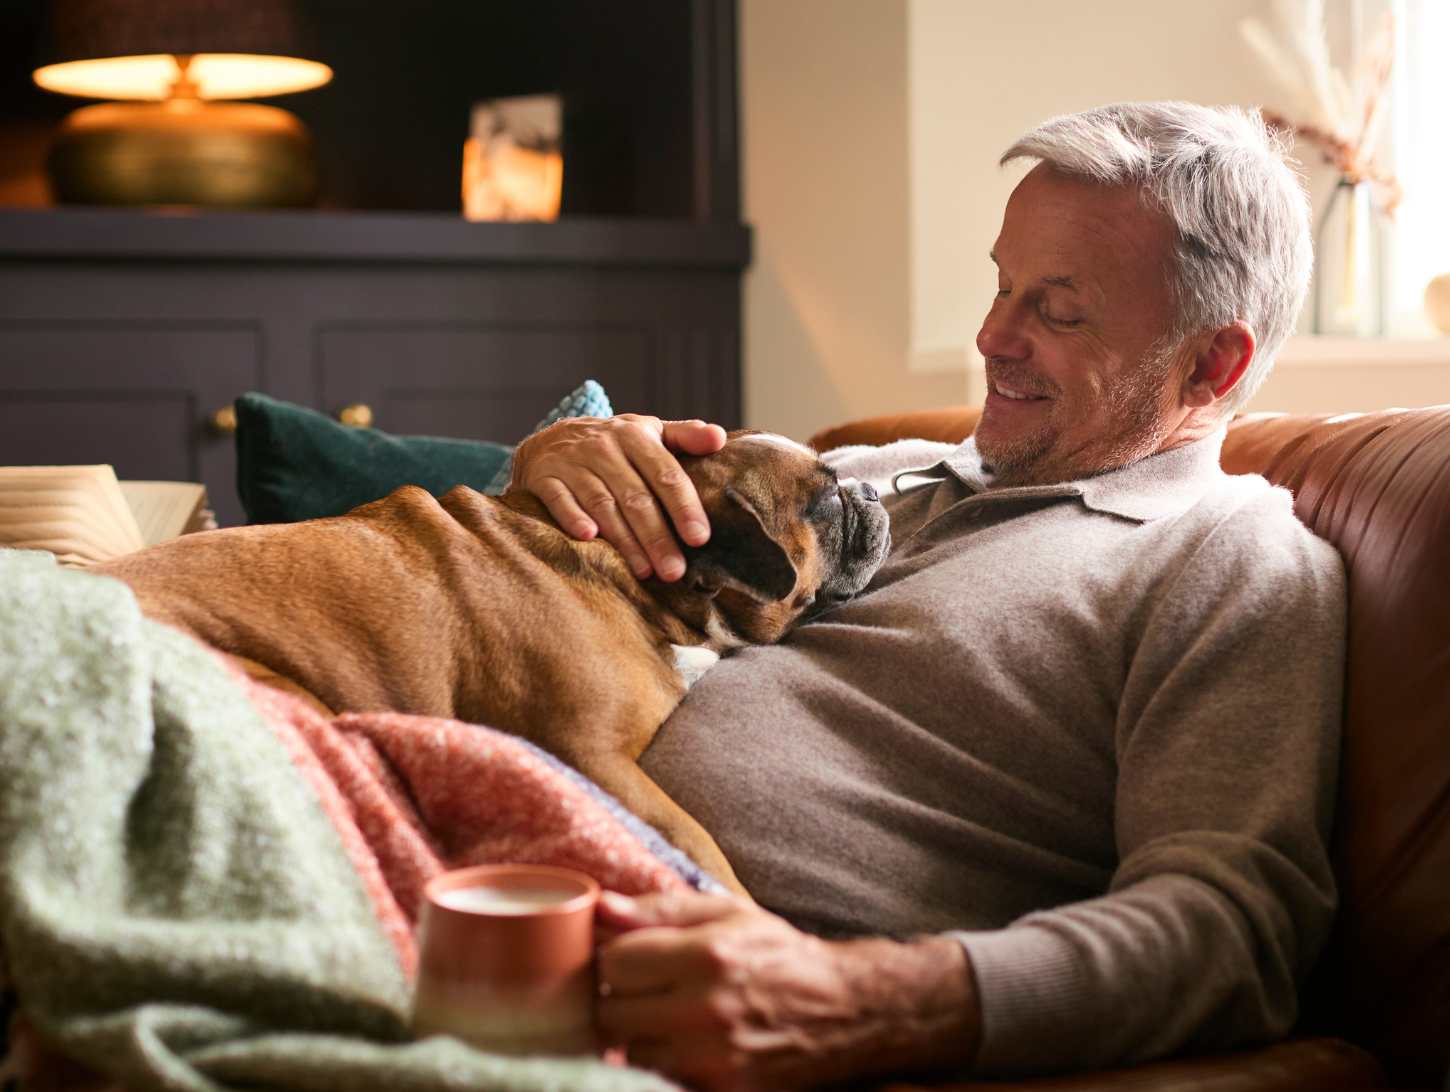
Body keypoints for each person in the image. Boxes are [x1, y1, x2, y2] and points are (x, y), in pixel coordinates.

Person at [510, 102, 1347, 1091]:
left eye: (1058, 310)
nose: (992, 335)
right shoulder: (876, 471)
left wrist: (865, 999)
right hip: (501, 832)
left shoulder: (1230, 559)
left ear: (1212, 362)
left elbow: (1230, 930)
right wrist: (555, 464)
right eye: (1001, 285)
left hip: (651, 961)